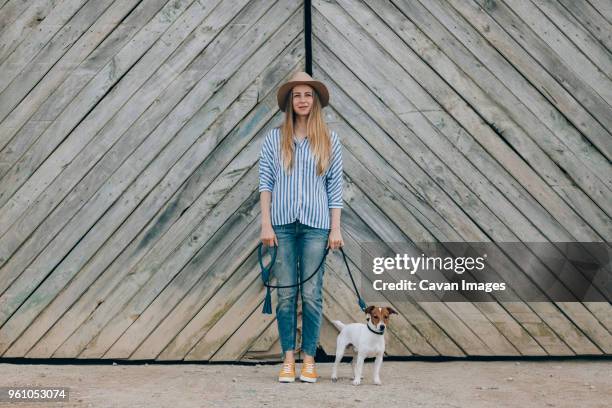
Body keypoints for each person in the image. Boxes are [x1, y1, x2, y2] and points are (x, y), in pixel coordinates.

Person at [258, 71, 344, 383]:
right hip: (281, 226)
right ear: (290, 102)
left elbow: (335, 188)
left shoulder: (329, 139)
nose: (303, 100)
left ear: (315, 101)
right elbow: (265, 184)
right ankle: (288, 360)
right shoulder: (273, 139)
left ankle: (309, 360)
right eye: (297, 95)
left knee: (311, 293)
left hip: (316, 227)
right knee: (285, 295)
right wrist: (265, 224)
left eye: (308, 95)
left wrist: (336, 229)